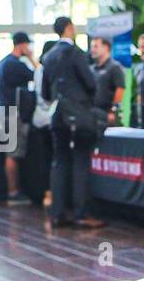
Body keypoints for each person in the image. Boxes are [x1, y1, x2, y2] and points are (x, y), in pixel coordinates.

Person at [40, 16, 105, 230]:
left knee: (59, 162)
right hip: (78, 114)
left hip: (57, 114)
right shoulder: (75, 53)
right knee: (81, 161)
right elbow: (90, 83)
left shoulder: (48, 57)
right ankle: (81, 213)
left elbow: (44, 92)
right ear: (69, 28)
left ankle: (57, 213)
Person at [0, 32, 36, 205]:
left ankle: (14, 191)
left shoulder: (3, 63)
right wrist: (32, 58)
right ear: (22, 45)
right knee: (13, 153)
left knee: (10, 151)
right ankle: (13, 192)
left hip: (5, 112)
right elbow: (39, 75)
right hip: (14, 113)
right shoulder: (16, 64)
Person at [90, 35, 126, 128]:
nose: (92, 50)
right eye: (92, 47)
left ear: (106, 48)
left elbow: (120, 90)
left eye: (95, 46)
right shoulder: (92, 69)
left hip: (108, 115)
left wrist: (113, 111)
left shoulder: (115, 67)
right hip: (94, 114)